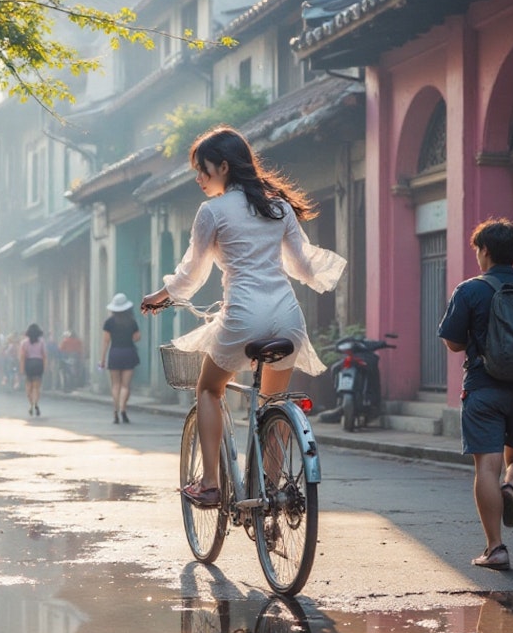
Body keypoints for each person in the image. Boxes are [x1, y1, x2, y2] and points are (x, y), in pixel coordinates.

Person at [141, 126, 345, 506]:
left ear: (223, 166)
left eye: (203, 170)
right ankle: (271, 491)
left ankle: (210, 484)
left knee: (208, 389)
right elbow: (301, 265)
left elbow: (190, 274)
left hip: (243, 316)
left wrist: (159, 296)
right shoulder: (278, 206)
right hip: (287, 316)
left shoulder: (212, 212)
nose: (199, 179)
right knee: (273, 403)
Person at [438, 217, 513, 571]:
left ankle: (495, 549)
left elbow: (454, 342)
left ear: (485, 250)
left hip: (484, 388)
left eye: (477, 249)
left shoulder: (470, 290)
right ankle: (511, 489)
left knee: (486, 467)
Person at [100, 292, 141, 424]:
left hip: (115, 353)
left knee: (115, 385)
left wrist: (102, 359)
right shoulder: (132, 321)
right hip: (129, 352)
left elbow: (106, 341)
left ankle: (115, 411)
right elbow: (137, 338)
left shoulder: (109, 322)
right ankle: (123, 409)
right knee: (125, 385)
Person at [19, 323, 47, 416]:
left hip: (29, 364)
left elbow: (22, 357)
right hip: (38, 364)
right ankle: (36, 403)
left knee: (29, 388)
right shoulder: (42, 342)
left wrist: (22, 369)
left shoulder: (24, 343)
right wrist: (45, 367)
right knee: (36, 387)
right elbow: (44, 356)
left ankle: (31, 404)